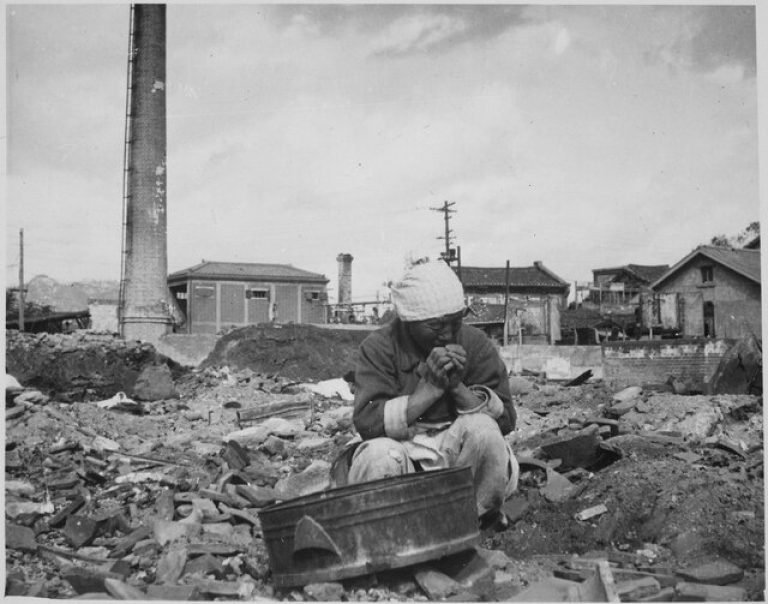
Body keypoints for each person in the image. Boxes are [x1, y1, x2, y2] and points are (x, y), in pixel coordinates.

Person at [348, 259, 519, 528]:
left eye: (454, 322)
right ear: (409, 321)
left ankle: (475, 522)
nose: (448, 334)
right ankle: (389, 533)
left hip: (459, 455)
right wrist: (429, 391)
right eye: (436, 327)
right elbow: (368, 424)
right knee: (378, 456)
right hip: (404, 453)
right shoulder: (379, 348)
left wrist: (456, 387)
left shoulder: (475, 344)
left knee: (484, 430)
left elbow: (506, 422)